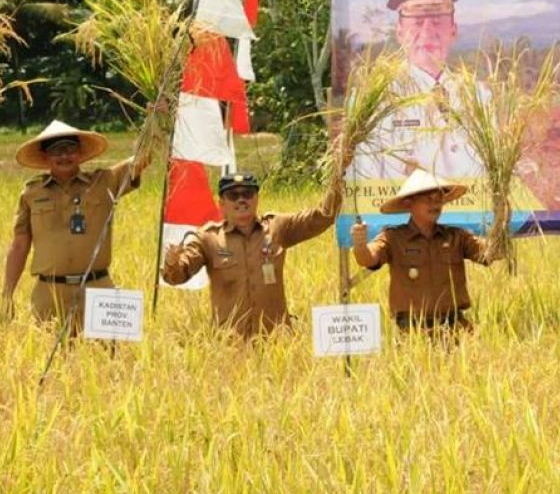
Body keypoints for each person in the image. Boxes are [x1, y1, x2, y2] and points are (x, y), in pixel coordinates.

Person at [3, 121, 151, 330]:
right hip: (49, 293)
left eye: (70, 149)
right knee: (48, 356)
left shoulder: (104, 182)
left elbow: (142, 158)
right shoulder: (31, 194)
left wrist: (155, 119)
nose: (64, 156)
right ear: (46, 157)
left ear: (80, 153)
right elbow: (19, 246)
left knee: (106, 358)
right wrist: (6, 295)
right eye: (56, 151)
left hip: (98, 289)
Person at [162, 173, 343, 338]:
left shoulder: (277, 228)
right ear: (222, 203)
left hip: (277, 343)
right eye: (233, 195)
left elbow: (322, 217)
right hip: (230, 347)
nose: (241, 200)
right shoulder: (208, 238)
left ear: (257, 198)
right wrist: (172, 262)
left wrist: (338, 172)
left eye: (247, 194)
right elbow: (178, 275)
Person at [351, 0, 484, 181]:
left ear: (453, 29)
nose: (427, 32)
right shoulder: (374, 101)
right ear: (400, 32)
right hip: (404, 214)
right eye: (418, 21)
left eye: (437, 21)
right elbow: (365, 179)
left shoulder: (479, 96)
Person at [350, 168, 495, 333]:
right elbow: (368, 259)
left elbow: (491, 253)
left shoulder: (456, 236)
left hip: (456, 327)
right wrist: (360, 244)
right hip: (412, 332)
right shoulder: (393, 238)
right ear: (408, 203)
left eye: (439, 199)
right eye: (428, 199)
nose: (435, 205)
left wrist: (501, 224)